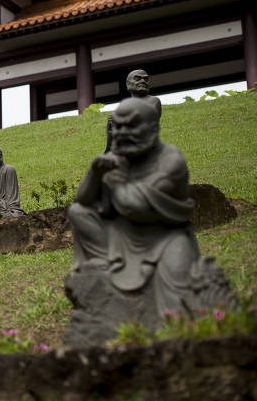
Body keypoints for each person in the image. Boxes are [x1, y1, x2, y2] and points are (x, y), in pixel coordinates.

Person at [69, 98, 198, 316]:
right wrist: (94, 172)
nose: (121, 133)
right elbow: (82, 201)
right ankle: (103, 264)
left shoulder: (170, 161)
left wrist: (115, 183)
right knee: (78, 213)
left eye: (131, 126)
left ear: (153, 128)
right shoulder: (117, 157)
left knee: (178, 300)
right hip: (121, 234)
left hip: (163, 238)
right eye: (117, 126)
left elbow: (135, 207)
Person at [106, 69, 162, 153]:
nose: (143, 81)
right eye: (137, 78)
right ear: (128, 84)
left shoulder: (153, 101)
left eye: (146, 79)